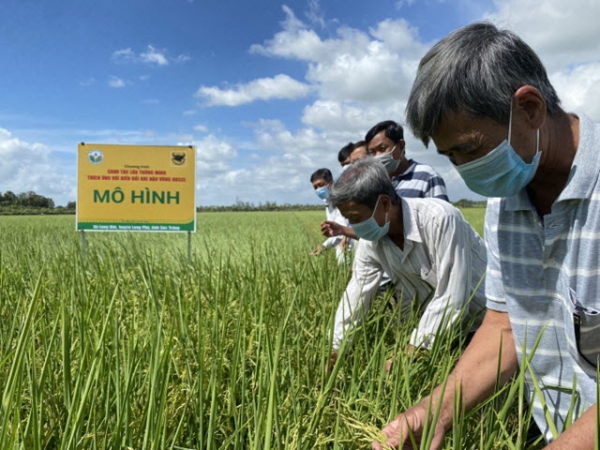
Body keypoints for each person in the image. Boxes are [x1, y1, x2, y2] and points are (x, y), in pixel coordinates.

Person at [373, 22, 600, 450]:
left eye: (472, 149)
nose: (465, 169)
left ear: (530, 107)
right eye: (451, 156)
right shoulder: (506, 200)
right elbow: (506, 326)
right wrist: (435, 411)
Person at [328, 158, 486, 369]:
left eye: (356, 218)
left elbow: (452, 296)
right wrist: (337, 348)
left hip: (485, 324)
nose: (354, 227)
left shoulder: (438, 219)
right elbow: (356, 295)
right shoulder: (371, 242)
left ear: (384, 203)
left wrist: (412, 351)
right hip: (437, 332)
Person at [365, 120, 449, 201]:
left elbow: (442, 213)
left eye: (382, 148)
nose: (377, 156)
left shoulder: (427, 176)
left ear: (401, 145)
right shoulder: (373, 183)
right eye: (372, 152)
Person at [310, 168, 354, 263]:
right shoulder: (328, 202)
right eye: (315, 187)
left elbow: (341, 229)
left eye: (321, 185)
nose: (318, 189)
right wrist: (323, 247)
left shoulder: (340, 199)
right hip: (341, 241)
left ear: (331, 183)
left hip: (349, 241)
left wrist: (324, 247)